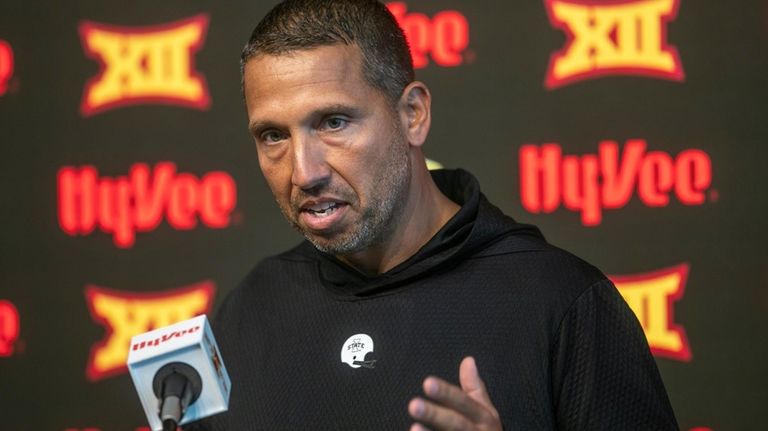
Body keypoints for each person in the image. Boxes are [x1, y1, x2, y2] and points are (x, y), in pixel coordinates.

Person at [187, 0, 678, 429]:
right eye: (274, 135)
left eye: (333, 122)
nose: (304, 172)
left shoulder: (562, 302)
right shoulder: (247, 314)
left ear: (413, 115)